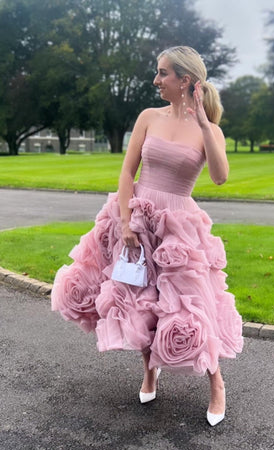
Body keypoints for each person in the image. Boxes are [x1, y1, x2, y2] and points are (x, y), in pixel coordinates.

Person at [51, 45, 243, 427]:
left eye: (163, 73)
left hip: (179, 228)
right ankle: (150, 370)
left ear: (185, 80)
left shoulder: (211, 129)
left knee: (192, 305)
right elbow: (126, 173)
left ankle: (216, 383)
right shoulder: (147, 117)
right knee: (140, 298)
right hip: (137, 219)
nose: (156, 80)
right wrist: (125, 223)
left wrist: (205, 125)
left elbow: (220, 176)